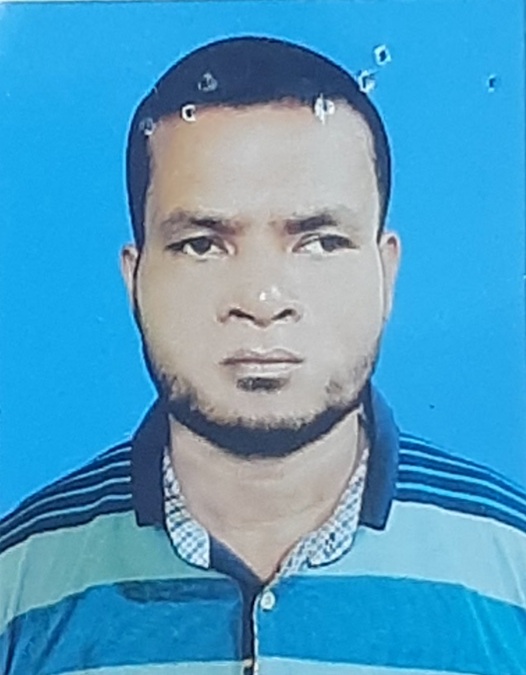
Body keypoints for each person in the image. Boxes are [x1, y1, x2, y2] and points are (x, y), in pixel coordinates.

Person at [1, 36, 525, 675]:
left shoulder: (514, 569)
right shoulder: (16, 582)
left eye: (321, 242)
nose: (261, 299)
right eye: (201, 244)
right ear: (134, 280)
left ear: (386, 273)